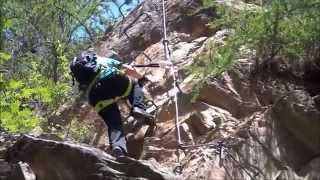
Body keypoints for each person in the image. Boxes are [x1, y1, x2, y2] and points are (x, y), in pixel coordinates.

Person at [70, 51, 152, 157]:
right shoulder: (98, 59)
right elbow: (129, 70)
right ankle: (138, 107)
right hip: (111, 77)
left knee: (114, 124)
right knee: (134, 85)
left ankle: (118, 147)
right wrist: (142, 78)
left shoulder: (81, 78)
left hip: (94, 95)